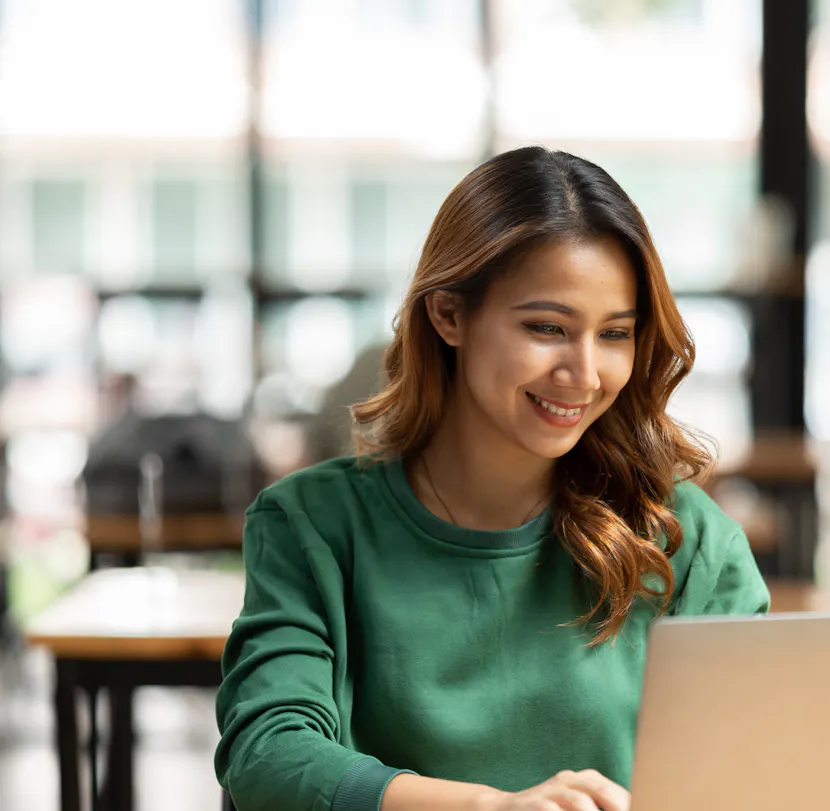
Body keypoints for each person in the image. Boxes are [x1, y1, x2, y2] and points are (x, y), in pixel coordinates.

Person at [215, 146, 770, 811]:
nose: (585, 373)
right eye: (547, 327)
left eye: (615, 333)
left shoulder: (686, 541)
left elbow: (749, 775)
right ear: (449, 315)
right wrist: (491, 807)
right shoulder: (313, 523)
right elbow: (268, 755)